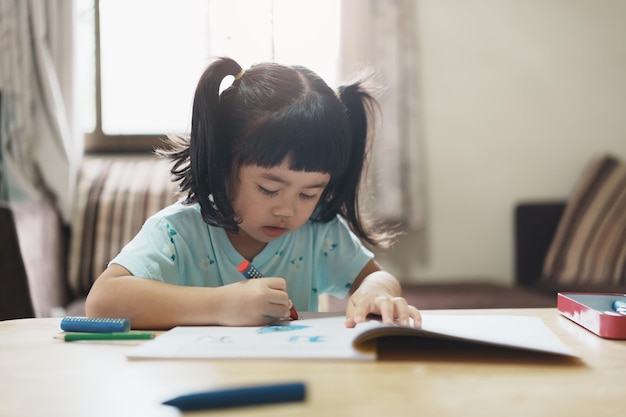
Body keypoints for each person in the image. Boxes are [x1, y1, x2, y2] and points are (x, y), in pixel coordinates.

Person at [85, 57, 421, 329]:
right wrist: (222, 305)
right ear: (223, 161)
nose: (287, 210)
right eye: (269, 188)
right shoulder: (179, 232)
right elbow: (103, 301)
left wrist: (376, 293)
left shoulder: (318, 233)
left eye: (309, 194)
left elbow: (378, 278)